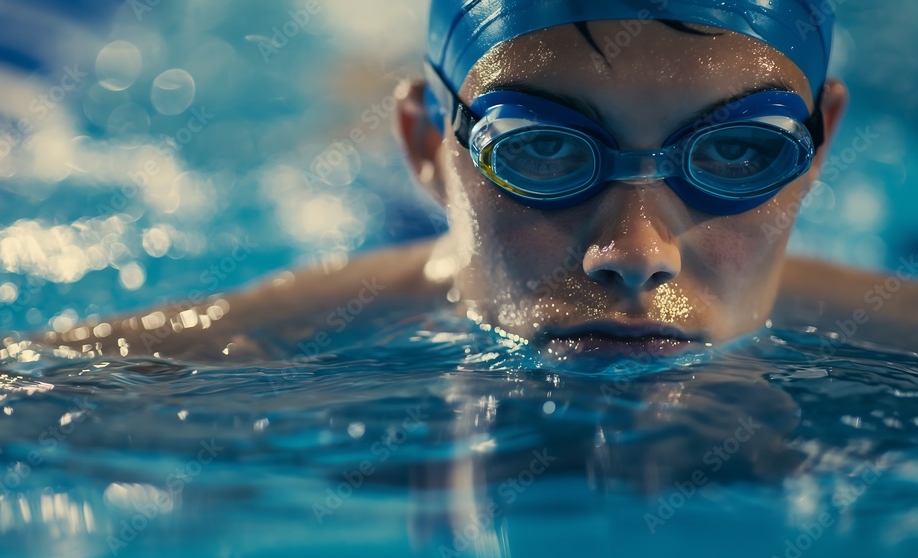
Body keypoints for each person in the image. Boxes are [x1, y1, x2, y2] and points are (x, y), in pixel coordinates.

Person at [47, 0, 918, 362]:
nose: (635, 255)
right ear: (427, 146)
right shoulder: (247, 354)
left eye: (737, 154)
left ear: (822, 142)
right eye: (543, 148)